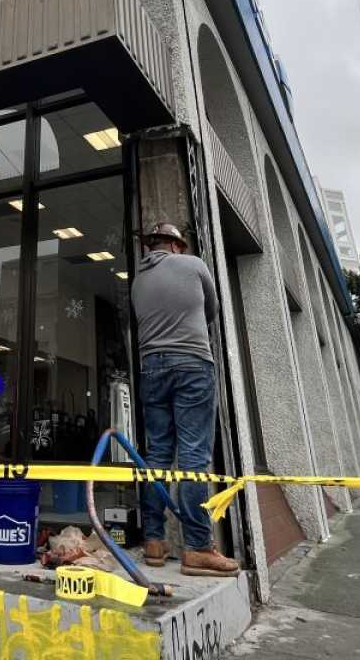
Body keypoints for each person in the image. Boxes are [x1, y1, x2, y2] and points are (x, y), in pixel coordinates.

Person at [131, 222, 238, 577]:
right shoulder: (193, 264)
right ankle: (197, 547)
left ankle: (154, 541)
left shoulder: (138, 280)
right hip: (191, 363)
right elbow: (211, 310)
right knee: (193, 455)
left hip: (151, 369)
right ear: (176, 245)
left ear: (151, 247)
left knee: (157, 455)